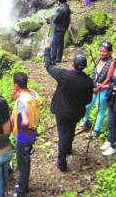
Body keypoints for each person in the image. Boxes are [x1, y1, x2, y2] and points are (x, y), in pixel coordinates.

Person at [44, 39, 93, 172]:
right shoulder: (88, 82)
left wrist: (47, 48)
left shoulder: (64, 75)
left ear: (73, 63)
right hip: (76, 113)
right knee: (70, 130)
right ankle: (69, 149)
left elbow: (48, 66)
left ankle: (61, 162)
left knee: (63, 135)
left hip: (62, 113)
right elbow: (88, 100)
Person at [11, 72, 41, 197]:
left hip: (24, 136)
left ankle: (21, 190)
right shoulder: (33, 94)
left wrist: (23, 128)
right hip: (33, 133)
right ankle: (24, 184)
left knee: (22, 163)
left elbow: (25, 121)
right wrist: (16, 98)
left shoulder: (22, 101)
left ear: (16, 85)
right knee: (26, 160)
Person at [78, 42, 113, 138]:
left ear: (109, 52)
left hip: (104, 89)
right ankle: (85, 121)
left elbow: (109, 78)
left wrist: (99, 87)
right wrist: (91, 85)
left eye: (104, 51)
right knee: (87, 105)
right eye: (100, 51)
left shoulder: (111, 63)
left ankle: (96, 130)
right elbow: (93, 73)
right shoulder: (98, 60)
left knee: (100, 110)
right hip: (94, 87)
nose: (101, 53)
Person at [100, 48, 116, 156]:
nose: (114, 58)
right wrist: (114, 62)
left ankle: (113, 145)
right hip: (112, 97)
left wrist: (107, 86)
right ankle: (109, 140)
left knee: (111, 123)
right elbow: (110, 77)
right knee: (110, 120)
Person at [51, 0, 71, 64]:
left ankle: (52, 60)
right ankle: (59, 58)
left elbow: (55, 20)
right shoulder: (67, 8)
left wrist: (52, 18)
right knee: (60, 44)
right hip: (64, 28)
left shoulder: (60, 9)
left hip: (58, 29)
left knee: (54, 44)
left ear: (59, 1)